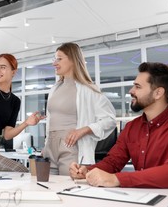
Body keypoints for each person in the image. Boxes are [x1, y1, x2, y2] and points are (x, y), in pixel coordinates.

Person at [69, 62, 168, 207]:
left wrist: (117, 179)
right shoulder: (132, 127)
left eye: (137, 86)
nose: (130, 91)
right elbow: (113, 162)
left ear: (158, 93)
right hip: (140, 200)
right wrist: (88, 170)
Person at [43, 42, 116, 175]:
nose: (54, 63)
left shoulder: (89, 90)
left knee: (68, 189)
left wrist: (84, 130)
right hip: (50, 148)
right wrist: (47, 145)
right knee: (47, 189)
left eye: (59, 59)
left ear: (72, 60)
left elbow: (109, 120)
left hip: (71, 147)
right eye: (54, 59)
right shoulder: (54, 89)